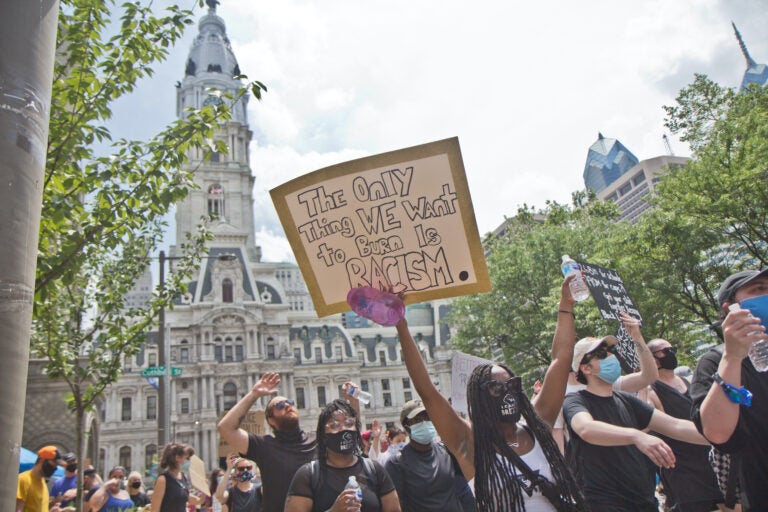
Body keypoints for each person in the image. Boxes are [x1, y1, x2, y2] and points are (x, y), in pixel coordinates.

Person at [390, 277, 587, 511]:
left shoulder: (538, 426)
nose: (507, 394)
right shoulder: (469, 444)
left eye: (512, 386)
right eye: (497, 389)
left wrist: (566, 305)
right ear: (480, 399)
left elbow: (561, 359)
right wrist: (400, 322)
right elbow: (428, 392)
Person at [564, 326, 710, 511]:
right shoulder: (575, 401)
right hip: (604, 503)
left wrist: (718, 435)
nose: (611, 357)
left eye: (611, 351)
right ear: (586, 368)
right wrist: (636, 435)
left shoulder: (626, 400)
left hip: (644, 500)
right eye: (601, 354)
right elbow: (586, 428)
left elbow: (676, 426)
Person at [691, 268, 768, 511]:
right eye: (758, 290)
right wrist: (733, 357)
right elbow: (718, 433)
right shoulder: (714, 363)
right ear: (730, 309)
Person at [646, 338, 725, 512]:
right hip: (683, 472)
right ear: (653, 359)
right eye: (665, 351)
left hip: (710, 462)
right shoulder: (652, 392)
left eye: (671, 348)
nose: (671, 353)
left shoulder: (689, 382)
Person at [218, 372, 316, 512]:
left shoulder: (317, 440)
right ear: (270, 420)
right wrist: (254, 394)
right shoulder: (264, 446)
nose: (288, 406)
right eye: (280, 405)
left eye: (290, 403)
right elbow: (225, 428)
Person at [285, 398, 400, 512]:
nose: (343, 429)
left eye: (349, 423)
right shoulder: (308, 475)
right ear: (323, 435)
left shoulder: (375, 470)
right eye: (334, 425)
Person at [384, 400, 474, 512]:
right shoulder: (397, 463)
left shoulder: (447, 451)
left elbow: (467, 483)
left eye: (427, 417)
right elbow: (396, 505)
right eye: (417, 420)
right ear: (406, 427)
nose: (424, 422)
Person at [151, 443, 203, 512]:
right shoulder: (163, 480)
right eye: (187, 458)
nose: (188, 461)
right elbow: (155, 509)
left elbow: (197, 501)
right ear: (177, 458)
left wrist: (204, 488)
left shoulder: (184, 477)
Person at [17, 445, 64, 512]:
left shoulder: (43, 482)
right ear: (43, 460)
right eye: (54, 464)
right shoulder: (24, 479)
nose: (55, 468)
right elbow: (18, 509)